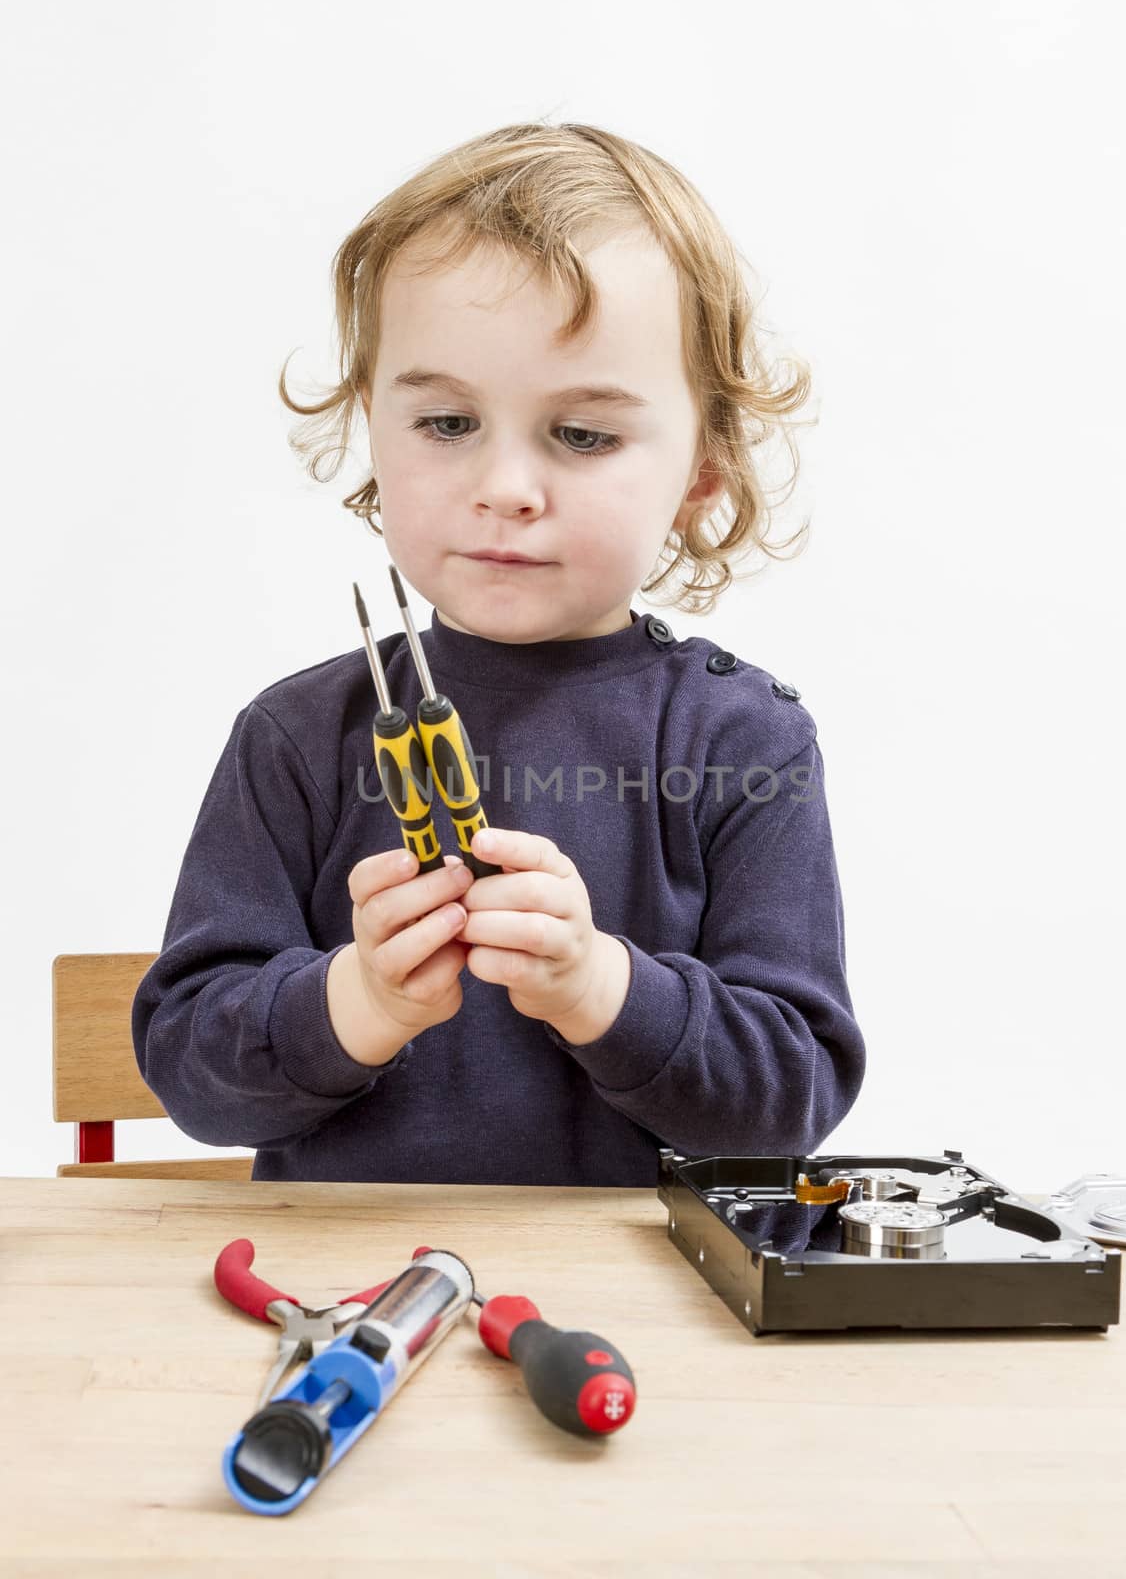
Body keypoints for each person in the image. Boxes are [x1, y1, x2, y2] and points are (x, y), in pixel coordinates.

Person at [131, 121, 867, 1184]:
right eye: (444, 421)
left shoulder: (743, 740)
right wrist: (359, 1001)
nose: (506, 486)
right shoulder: (296, 738)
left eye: (583, 434)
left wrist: (600, 988)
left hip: (650, 1319)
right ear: (371, 429)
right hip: (352, 1296)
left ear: (705, 469)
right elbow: (189, 1070)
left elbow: (788, 1099)